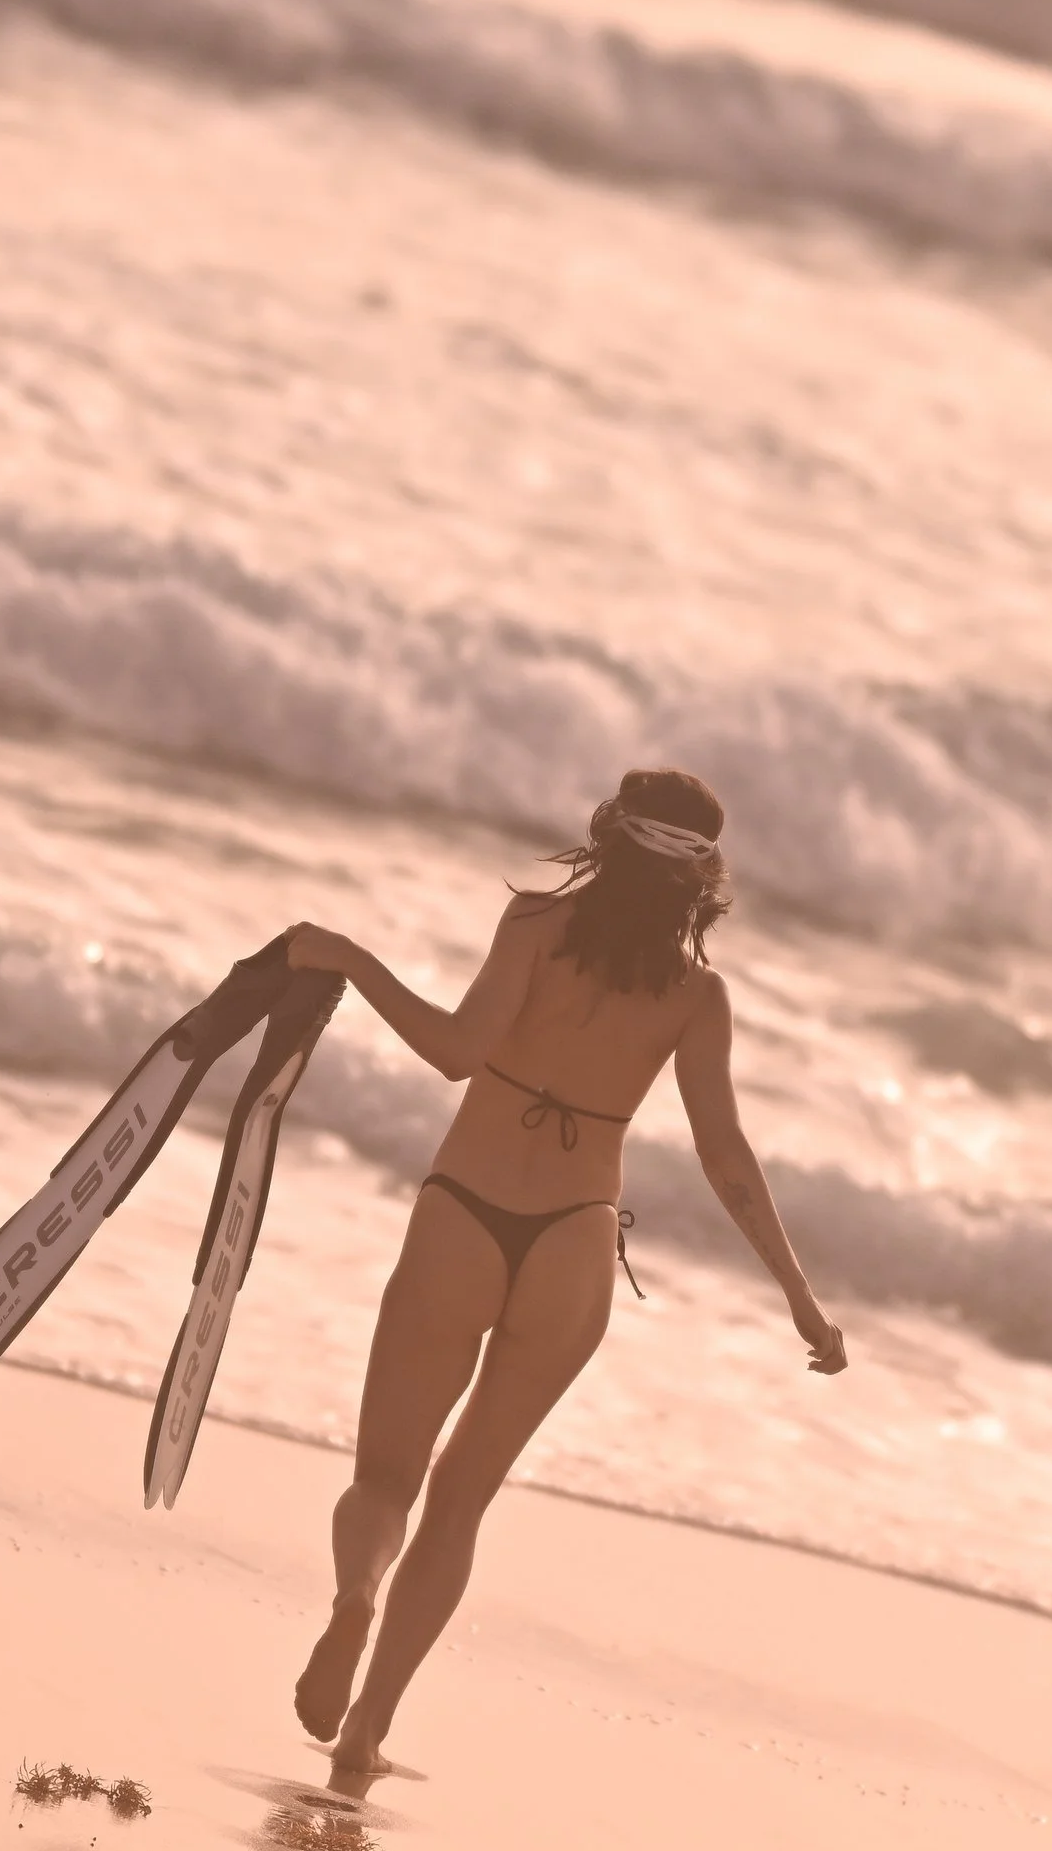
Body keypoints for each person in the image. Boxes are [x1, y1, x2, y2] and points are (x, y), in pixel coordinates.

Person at [283, 766, 845, 1798]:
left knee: (385, 1480)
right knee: (458, 1508)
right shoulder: (695, 995)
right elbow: (725, 1156)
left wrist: (348, 955)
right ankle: (365, 1732)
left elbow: (454, 1052)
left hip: (464, 1208)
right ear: (702, 876)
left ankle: (353, 1598)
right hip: (573, 1244)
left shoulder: (535, 927)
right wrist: (800, 1298)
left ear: (606, 835)